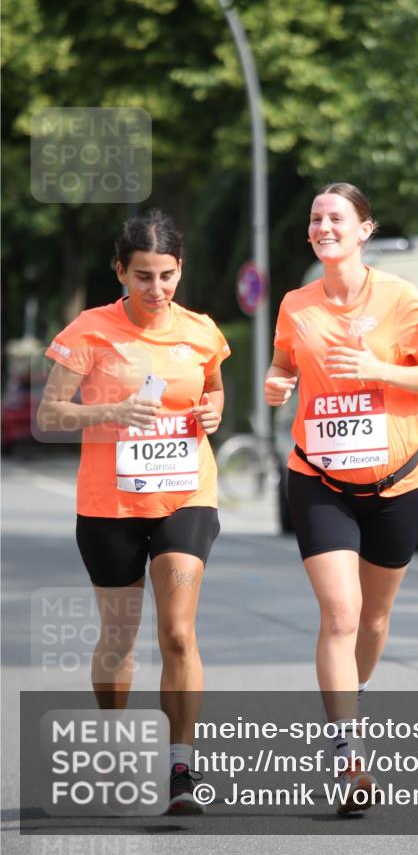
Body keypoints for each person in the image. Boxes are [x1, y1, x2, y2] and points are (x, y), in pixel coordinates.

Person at [37, 209, 230, 815]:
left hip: (184, 496)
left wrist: (213, 414)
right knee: (120, 639)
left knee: (177, 631)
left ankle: (181, 769)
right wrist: (110, 413)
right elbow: (47, 419)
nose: (156, 289)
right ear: (120, 271)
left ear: (180, 270)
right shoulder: (88, 332)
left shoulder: (201, 331)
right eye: (142, 276)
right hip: (110, 505)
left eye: (167, 275)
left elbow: (213, 389)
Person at [264, 182, 418, 813]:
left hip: (398, 483)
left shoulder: (400, 297)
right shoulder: (295, 303)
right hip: (320, 479)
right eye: (315, 217)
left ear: (364, 229)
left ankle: (355, 689)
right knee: (340, 615)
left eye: (336, 217)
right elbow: (286, 363)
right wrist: (276, 381)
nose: (323, 226)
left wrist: (380, 370)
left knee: (372, 619)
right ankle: (348, 755)